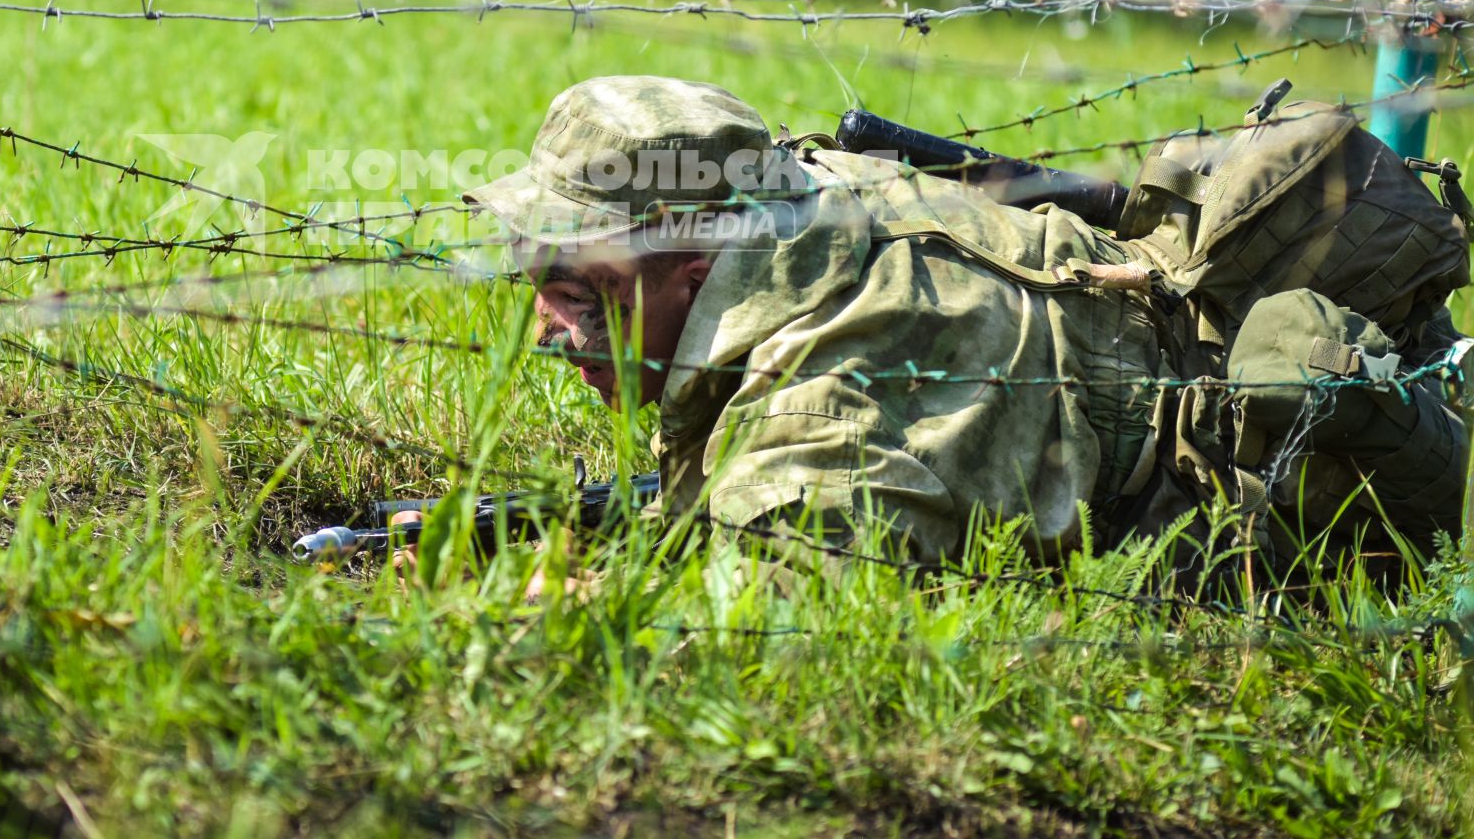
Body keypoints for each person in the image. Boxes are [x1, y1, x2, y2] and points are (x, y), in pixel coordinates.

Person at [454, 75, 1471, 580]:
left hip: (1267, 491)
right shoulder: (804, 194)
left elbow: (759, 627)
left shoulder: (830, 405)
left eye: (577, 289)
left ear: (686, 266)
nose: (548, 326)